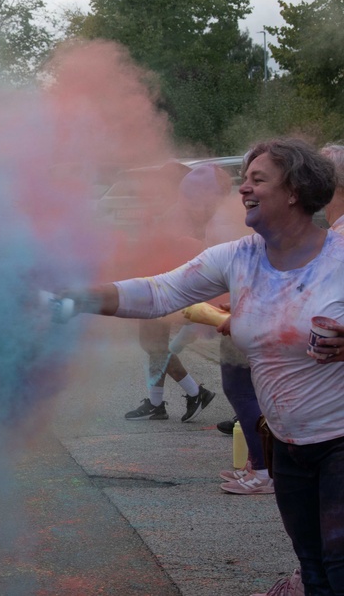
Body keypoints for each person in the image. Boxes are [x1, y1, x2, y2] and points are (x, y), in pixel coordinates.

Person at [61, 138, 344, 595]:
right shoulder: (238, 257)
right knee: (313, 569)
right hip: (289, 448)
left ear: (294, 191)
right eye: (243, 179)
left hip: (339, 443)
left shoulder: (339, 256)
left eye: (257, 179)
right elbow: (158, 293)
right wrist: (76, 297)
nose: (244, 189)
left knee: (339, 568)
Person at [123, 165, 223, 422]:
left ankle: (195, 392)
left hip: (164, 285)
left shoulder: (191, 215)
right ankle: (157, 402)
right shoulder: (181, 211)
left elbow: (190, 251)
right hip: (158, 281)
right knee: (154, 345)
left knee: (152, 343)